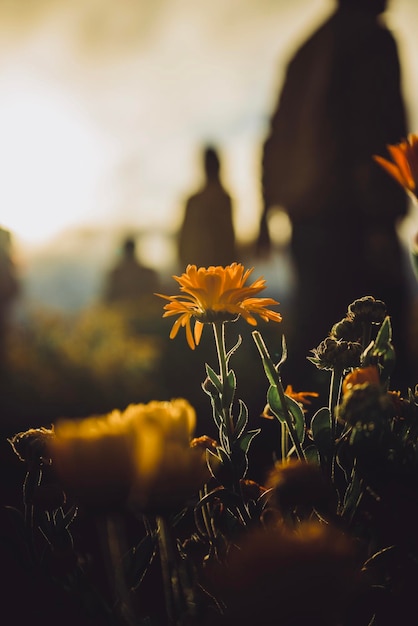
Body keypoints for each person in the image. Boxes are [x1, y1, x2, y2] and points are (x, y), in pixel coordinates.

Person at [256, 0, 413, 390]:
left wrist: (266, 210)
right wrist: (380, 218)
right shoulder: (371, 41)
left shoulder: (307, 49)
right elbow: (374, 130)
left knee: (317, 342)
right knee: (386, 357)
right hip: (356, 221)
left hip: (306, 221)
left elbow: (276, 137)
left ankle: (293, 444)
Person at [178, 145, 237, 269]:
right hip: (200, 265)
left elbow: (230, 238)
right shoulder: (195, 201)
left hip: (218, 266)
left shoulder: (224, 199)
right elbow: (183, 238)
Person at [103, 236, 159, 304]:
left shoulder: (116, 274)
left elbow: (109, 297)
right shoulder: (147, 273)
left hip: (125, 309)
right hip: (140, 309)